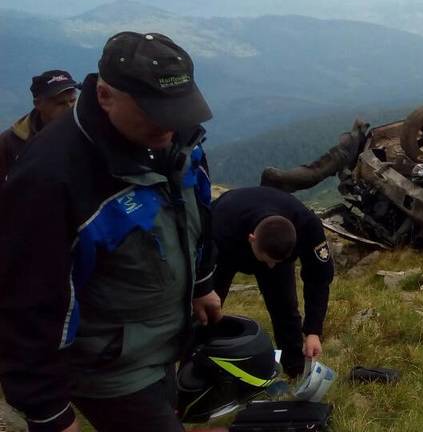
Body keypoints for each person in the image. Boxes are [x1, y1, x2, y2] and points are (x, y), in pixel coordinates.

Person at [0, 32, 223, 432]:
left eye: (178, 109)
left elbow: (196, 210)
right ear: (105, 96)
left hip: (161, 340)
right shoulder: (52, 177)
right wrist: (47, 410)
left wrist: (202, 280)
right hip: (106, 366)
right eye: (154, 111)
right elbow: (25, 299)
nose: (169, 125)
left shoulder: (178, 138)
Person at [211, 186, 335, 378]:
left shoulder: (307, 226)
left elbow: (318, 278)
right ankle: (199, 363)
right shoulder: (221, 222)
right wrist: (205, 291)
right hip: (227, 248)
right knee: (208, 309)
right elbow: (200, 266)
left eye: (275, 262)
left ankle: (295, 370)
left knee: (285, 309)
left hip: (274, 246)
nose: (269, 267)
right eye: (267, 260)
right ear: (252, 239)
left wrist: (313, 331)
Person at [0, 69, 79, 182]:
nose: (69, 108)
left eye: (73, 101)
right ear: (38, 104)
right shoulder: (9, 143)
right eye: (60, 103)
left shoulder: (88, 133)